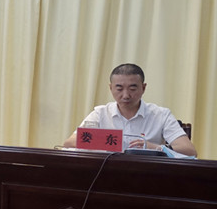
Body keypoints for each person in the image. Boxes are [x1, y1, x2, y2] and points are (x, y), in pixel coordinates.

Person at [62, 63, 197, 156]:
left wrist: (154, 147)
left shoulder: (161, 115)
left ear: (143, 88)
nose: (126, 95)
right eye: (119, 89)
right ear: (111, 88)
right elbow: (69, 144)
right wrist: (111, 141)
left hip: (147, 176)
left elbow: (189, 151)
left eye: (132, 89)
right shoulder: (100, 114)